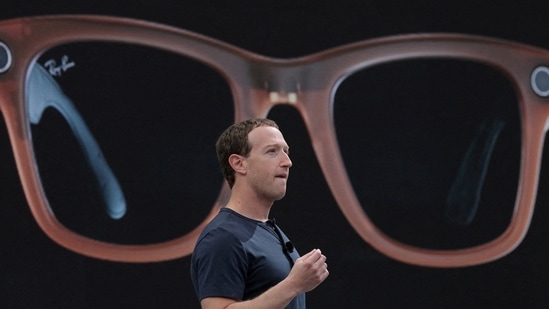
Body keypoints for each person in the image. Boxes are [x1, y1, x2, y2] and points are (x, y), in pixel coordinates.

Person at [190, 118, 329, 309]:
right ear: (239, 163)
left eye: (286, 152)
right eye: (272, 151)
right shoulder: (222, 237)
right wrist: (294, 284)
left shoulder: (269, 230)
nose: (287, 162)